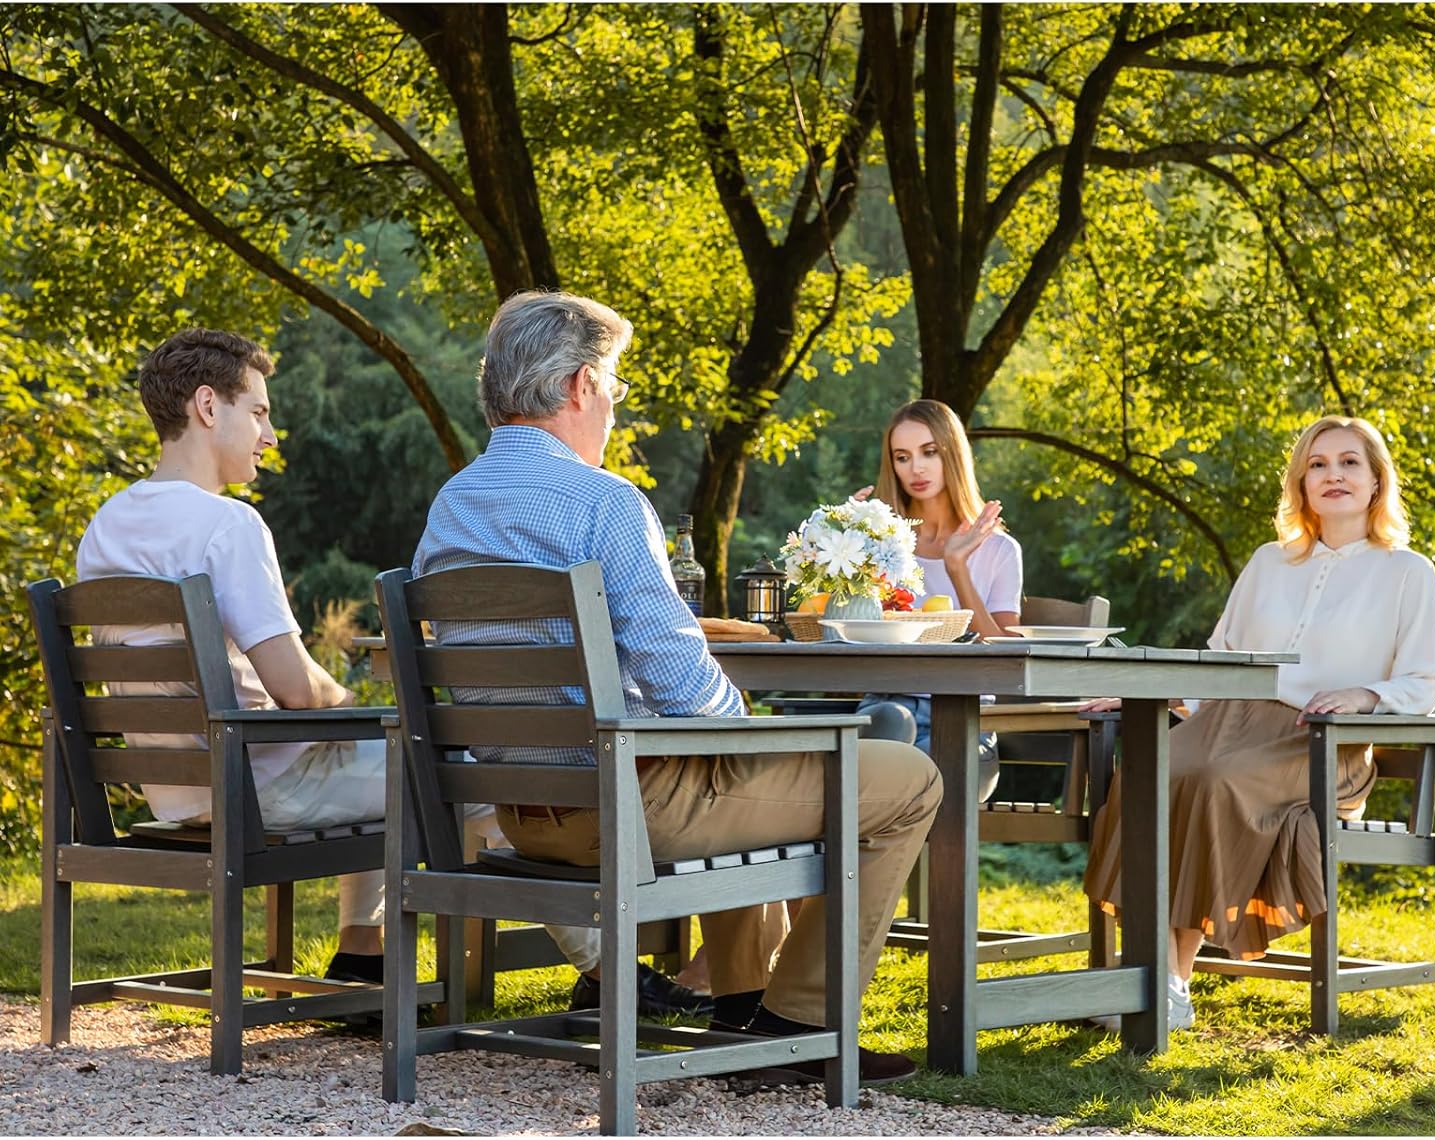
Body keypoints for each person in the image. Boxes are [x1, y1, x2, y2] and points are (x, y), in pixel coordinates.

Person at [412, 289, 943, 1085]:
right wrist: (754, 727)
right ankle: (799, 1022)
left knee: (730, 761)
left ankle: (741, 1004)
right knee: (906, 777)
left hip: (521, 818)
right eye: (615, 388)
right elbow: (686, 691)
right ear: (579, 386)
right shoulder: (607, 505)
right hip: (621, 813)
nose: (614, 410)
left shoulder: (450, 506)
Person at [74, 328, 672, 1010]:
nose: (270, 435)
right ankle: (611, 977)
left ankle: (362, 953)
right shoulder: (227, 525)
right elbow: (297, 689)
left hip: (173, 788)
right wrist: (354, 701)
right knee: (463, 773)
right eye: (261, 412)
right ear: (208, 407)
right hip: (257, 787)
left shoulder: (108, 524)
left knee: (377, 750)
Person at [1081, 414, 1435, 1031]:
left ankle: (1167, 982)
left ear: (1377, 481)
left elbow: (1423, 686)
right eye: (1317, 465)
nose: (1333, 476)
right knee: (1151, 771)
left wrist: (1363, 695)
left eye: (1349, 463)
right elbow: (1221, 656)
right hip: (1227, 721)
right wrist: (1156, 698)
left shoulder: (1409, 572)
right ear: (1301, 484)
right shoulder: (1269, 561)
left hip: (1319, 742)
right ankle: (1142, 975)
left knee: (1212, 779)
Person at [853, 399, 1023, 800]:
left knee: (898, 775)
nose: (917, 468)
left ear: (952, 452)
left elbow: (1009, 656)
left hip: (962, 722)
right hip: (885, 706)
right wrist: (849, 546)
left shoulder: (1000, 550)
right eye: (903, 457)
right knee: (888, 729)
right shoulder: (879, 540)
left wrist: (957, 568)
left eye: (930, 452)